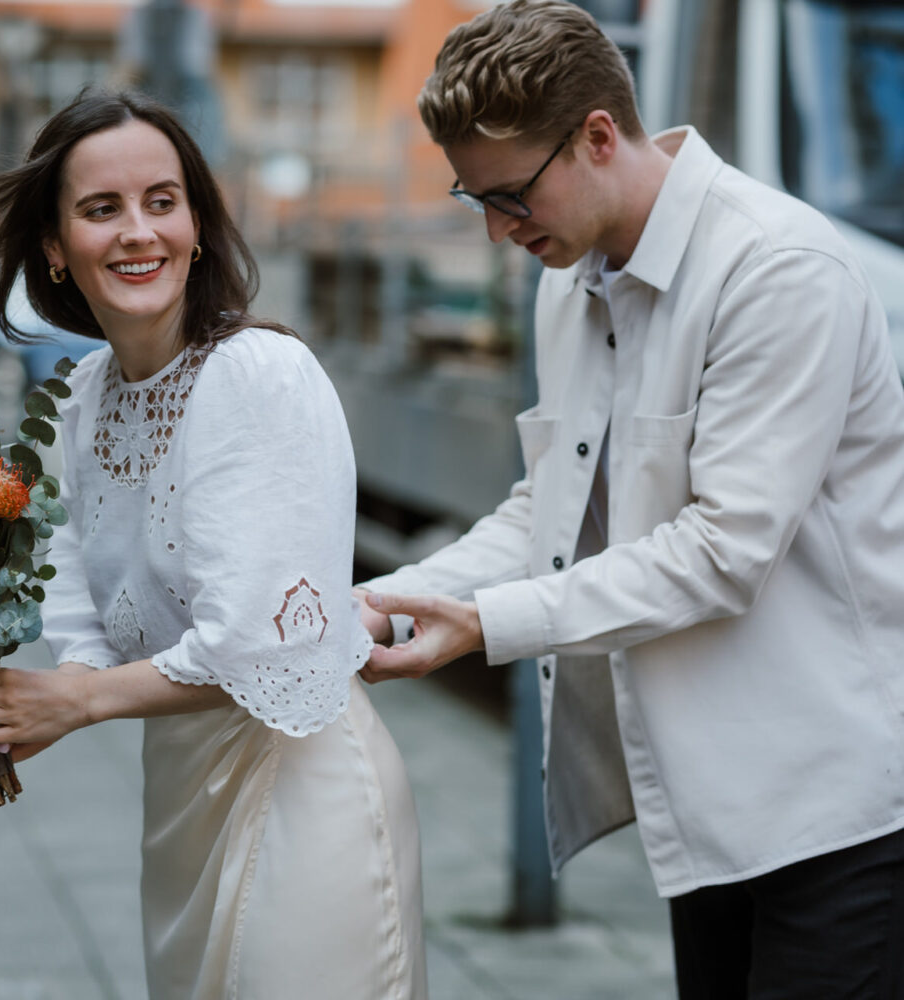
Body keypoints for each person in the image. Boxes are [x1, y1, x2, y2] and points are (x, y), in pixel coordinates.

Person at [358, 2, 904, 996]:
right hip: (712, 813)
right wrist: (393, 593)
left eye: (512, 195)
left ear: (599, 136)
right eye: (473, 197)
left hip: (844, 811)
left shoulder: (776, 269)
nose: (495, 230)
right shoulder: (572, 276)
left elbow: (724, 550)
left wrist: (482, 623)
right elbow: (550, 507)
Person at [0, 92, 427, 999]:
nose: (137, 233)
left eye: (163, 201)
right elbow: (77, 584)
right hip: (178, 794)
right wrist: (24, 705)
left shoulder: (258, 374)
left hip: (303, 788)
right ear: (53, 246)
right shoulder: (83, 397)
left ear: (198, 227)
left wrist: (73, 702)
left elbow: (256, 642)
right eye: (101, 208)